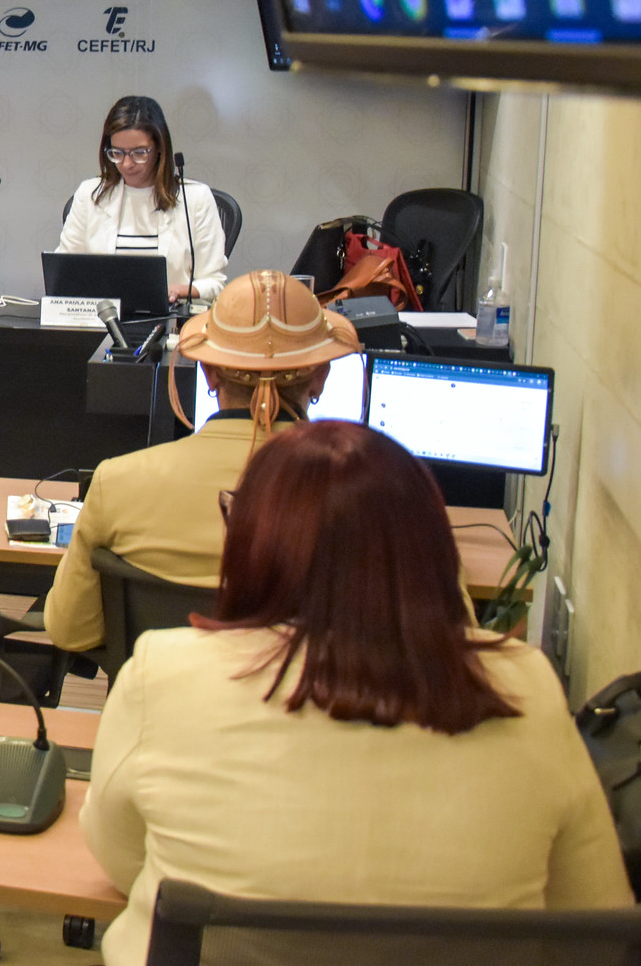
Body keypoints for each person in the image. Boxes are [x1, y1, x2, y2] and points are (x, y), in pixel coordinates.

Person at [82, 421, 632, 965]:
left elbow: (120, 856)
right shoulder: (526, 683)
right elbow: (594, 920)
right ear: (431, 549)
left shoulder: (164, 672)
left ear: (250, 538)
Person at [42, 270, 357, 654]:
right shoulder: (370, 493)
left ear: (207, 371)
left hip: (161, 707)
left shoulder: (118, 482)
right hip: (310, 706)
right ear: (321, 376)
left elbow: (70, 632)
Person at [57, 95, 227, 304]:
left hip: (170, 321)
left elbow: (214, 283)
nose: (127, 164)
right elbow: (65, 271)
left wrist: (177, 290)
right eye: (117, 153)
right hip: (102, 320)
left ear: (159, 148)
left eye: (139, 153)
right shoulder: (90, 193)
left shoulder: (195, 198)